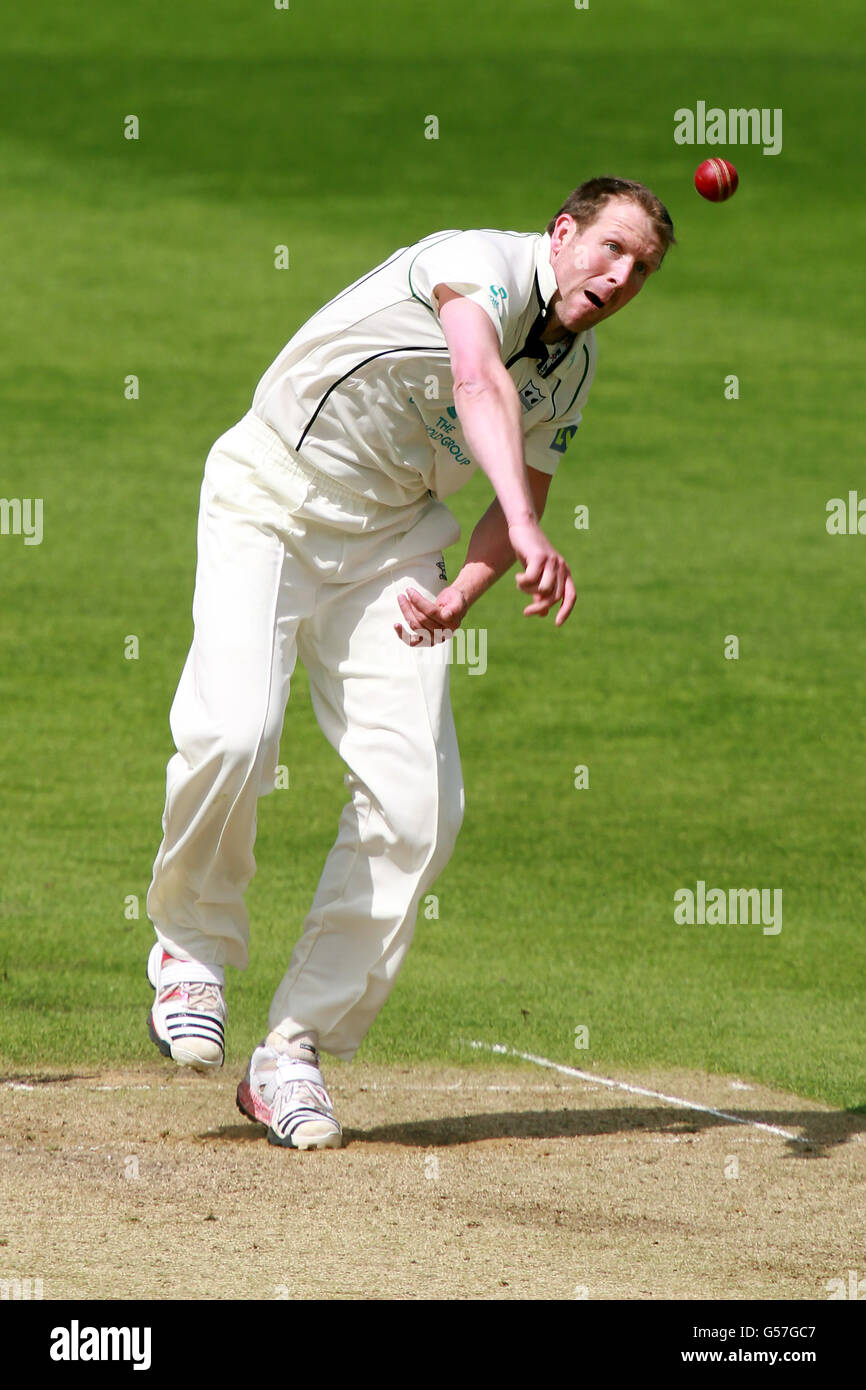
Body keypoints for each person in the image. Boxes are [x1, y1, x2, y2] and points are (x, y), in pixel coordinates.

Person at [145, 176, 675, 1149]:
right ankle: (189, 951)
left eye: (638, 268)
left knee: (419, 810)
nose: (618, 274)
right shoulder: (470, 263)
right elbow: (474, 381)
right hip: (271, 500)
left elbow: (528, 485)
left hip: (390, 552)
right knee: (233, 732)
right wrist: (518, 522)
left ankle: (290, 1052)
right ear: (561, 233)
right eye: (606, 248)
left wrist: (464, 589)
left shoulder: (572, 366)